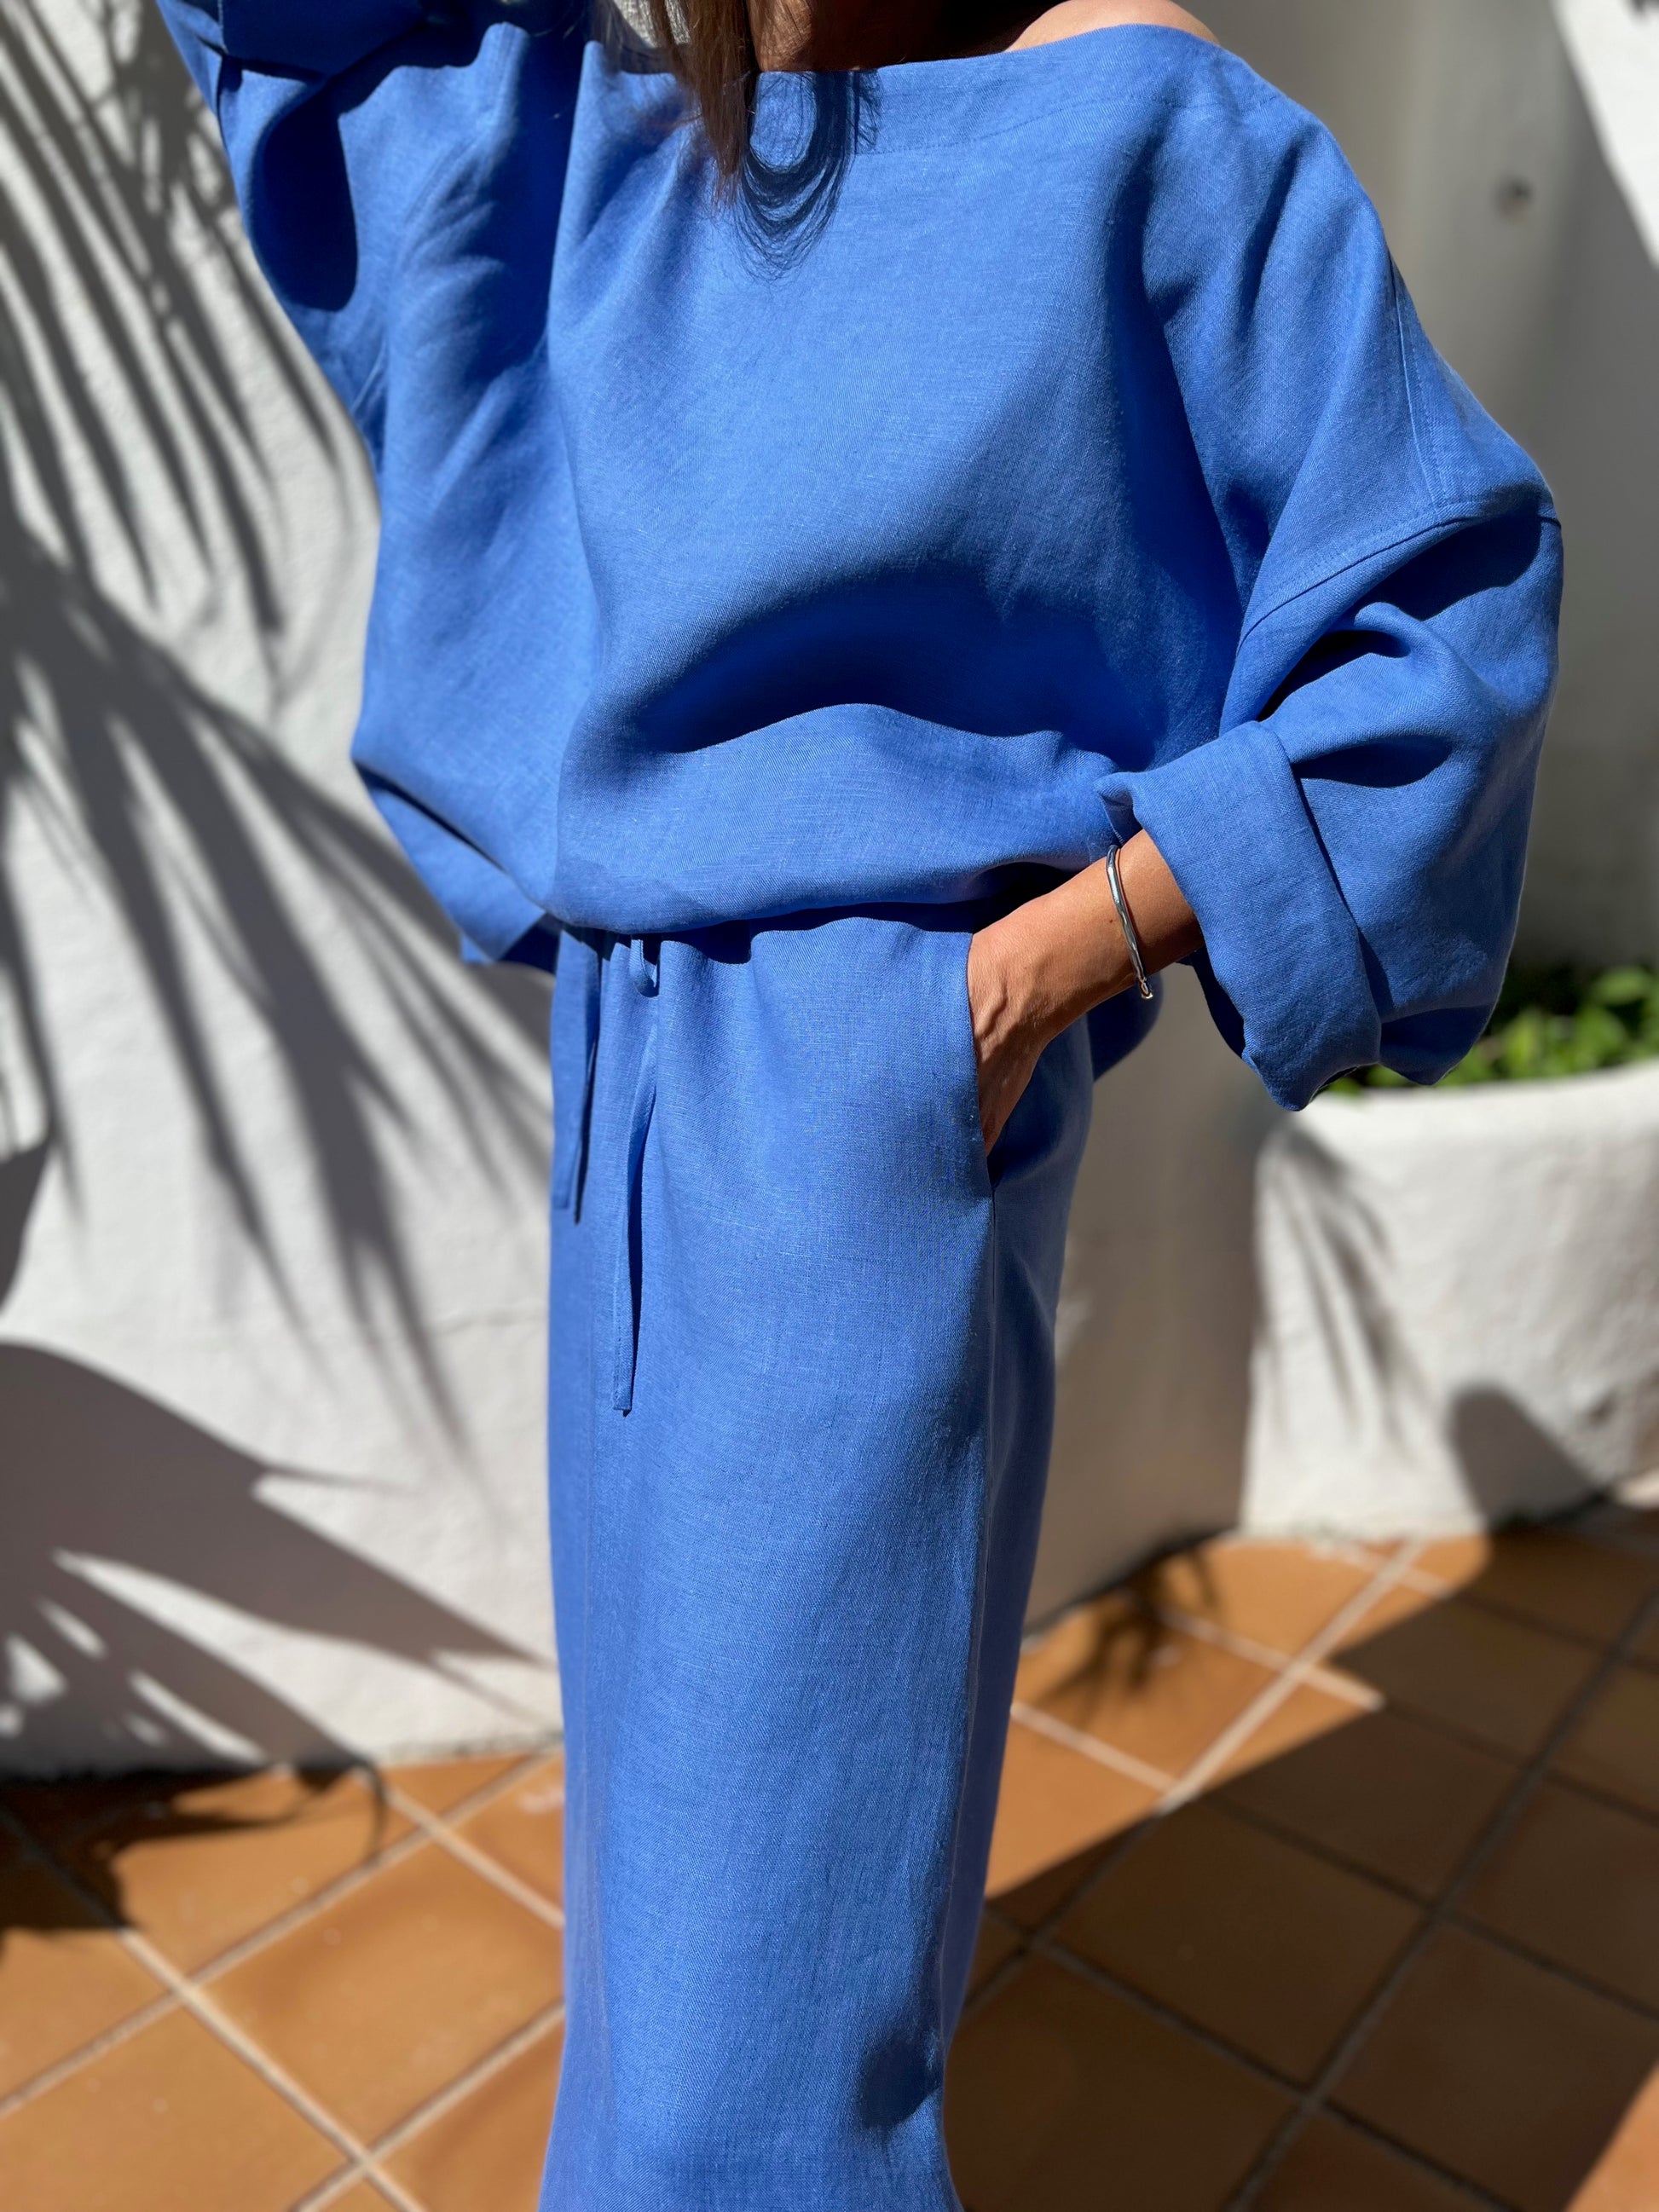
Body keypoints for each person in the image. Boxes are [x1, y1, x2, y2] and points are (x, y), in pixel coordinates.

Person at [155, 0, 1561, 2202]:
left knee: (758, 2041)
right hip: (639, 1087)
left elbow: (1445, 633)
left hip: (866, 1103)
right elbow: (313, 53)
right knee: (673, 1912)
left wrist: (1036, 969)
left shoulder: (1135, 112)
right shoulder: (631, 134)